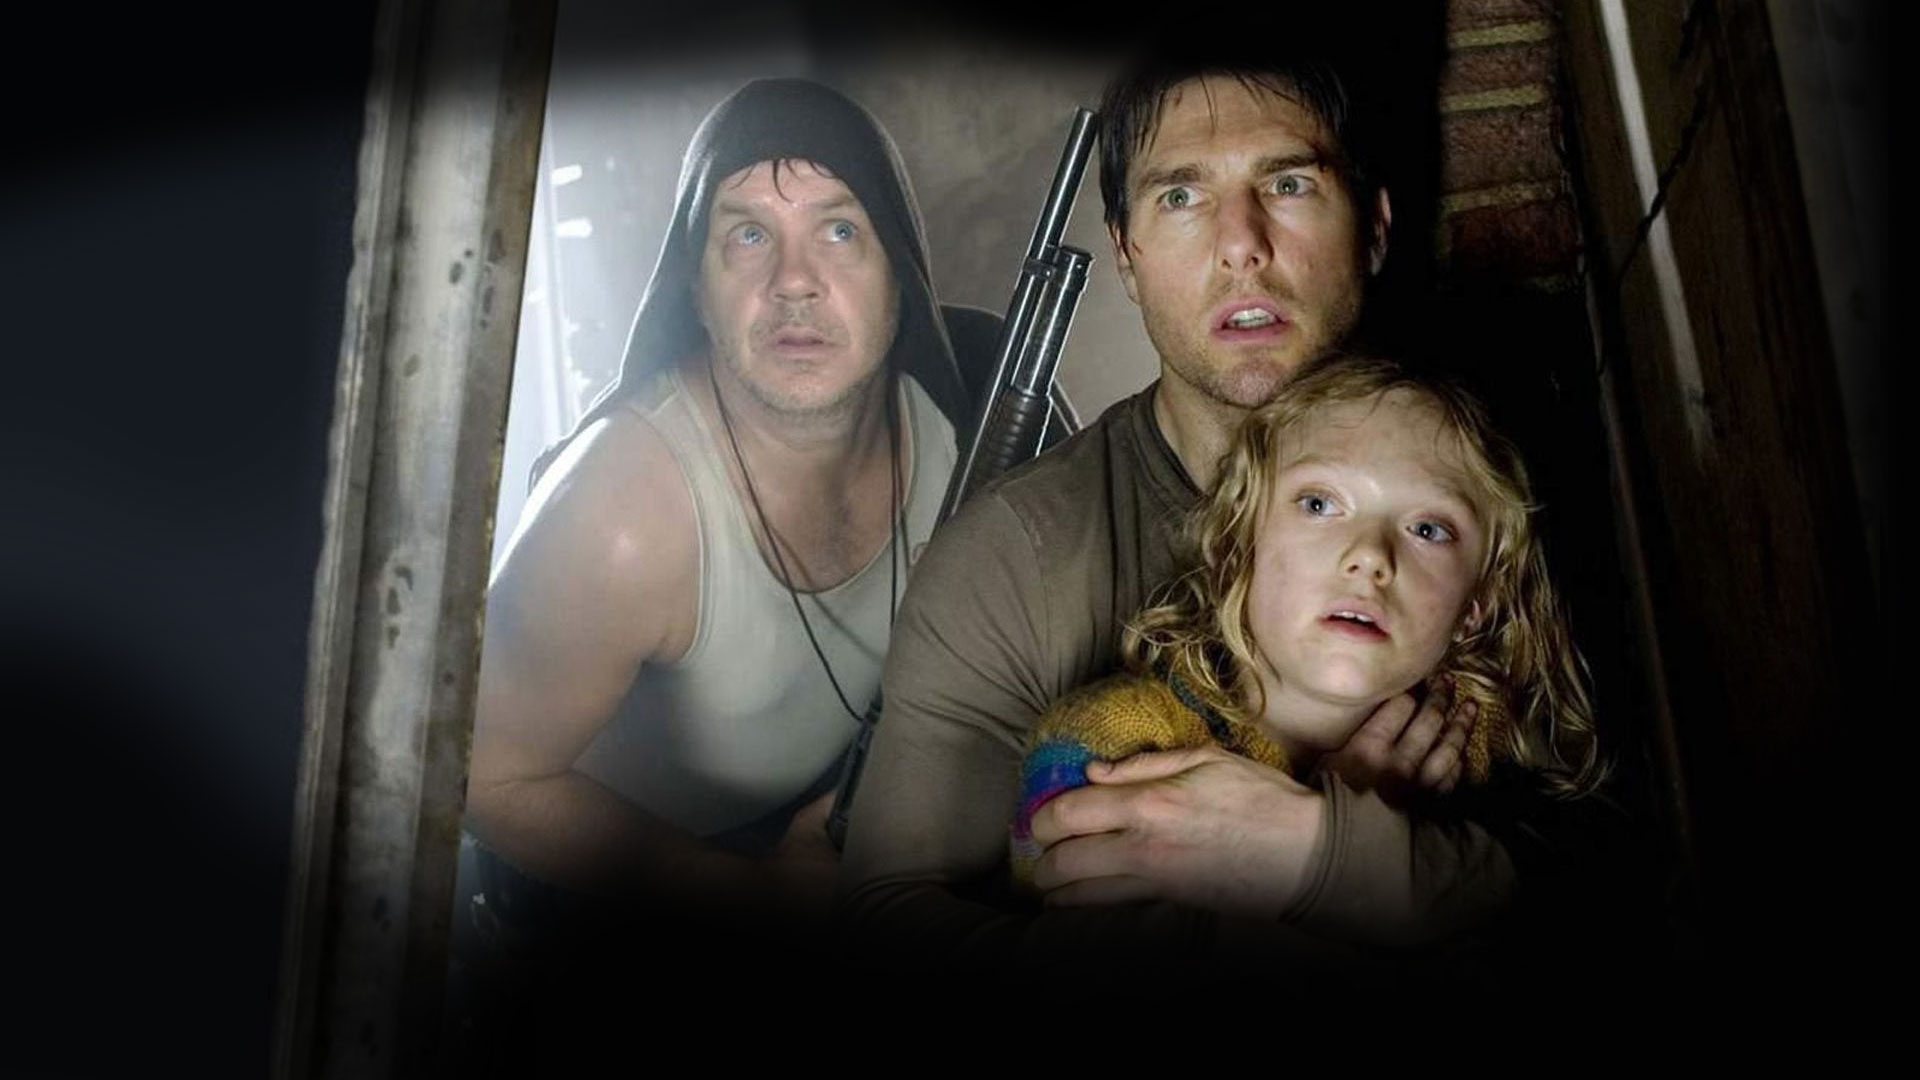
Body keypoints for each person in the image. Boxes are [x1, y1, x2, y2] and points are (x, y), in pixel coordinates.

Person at [839, 50, 1576, 979]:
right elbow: (888, 927)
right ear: (1126, 254)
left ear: (1375, 227)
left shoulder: (1491, 496)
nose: (1241, 245)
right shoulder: (1010, 562)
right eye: (1181, 197)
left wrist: (1312, 852)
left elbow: (1639, 874)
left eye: (1289, 183)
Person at [460, 78, 997, 954]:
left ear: (899, 271)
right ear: (697, 289)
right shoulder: (622, 509)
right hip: (601, 927)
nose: (795, 283)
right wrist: (746, 894)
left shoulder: (964, 419)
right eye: (748, 235)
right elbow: (474, 773)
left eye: (839, 231)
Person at [1008, 354, 1608, 908]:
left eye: (1428, 530)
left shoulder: (1483, 737)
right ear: (1238, 544)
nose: (1369, 556)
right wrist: (1341, 822)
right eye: (1319, 504)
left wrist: (1344, 845)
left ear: (1475, 603)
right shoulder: (1108, 741)